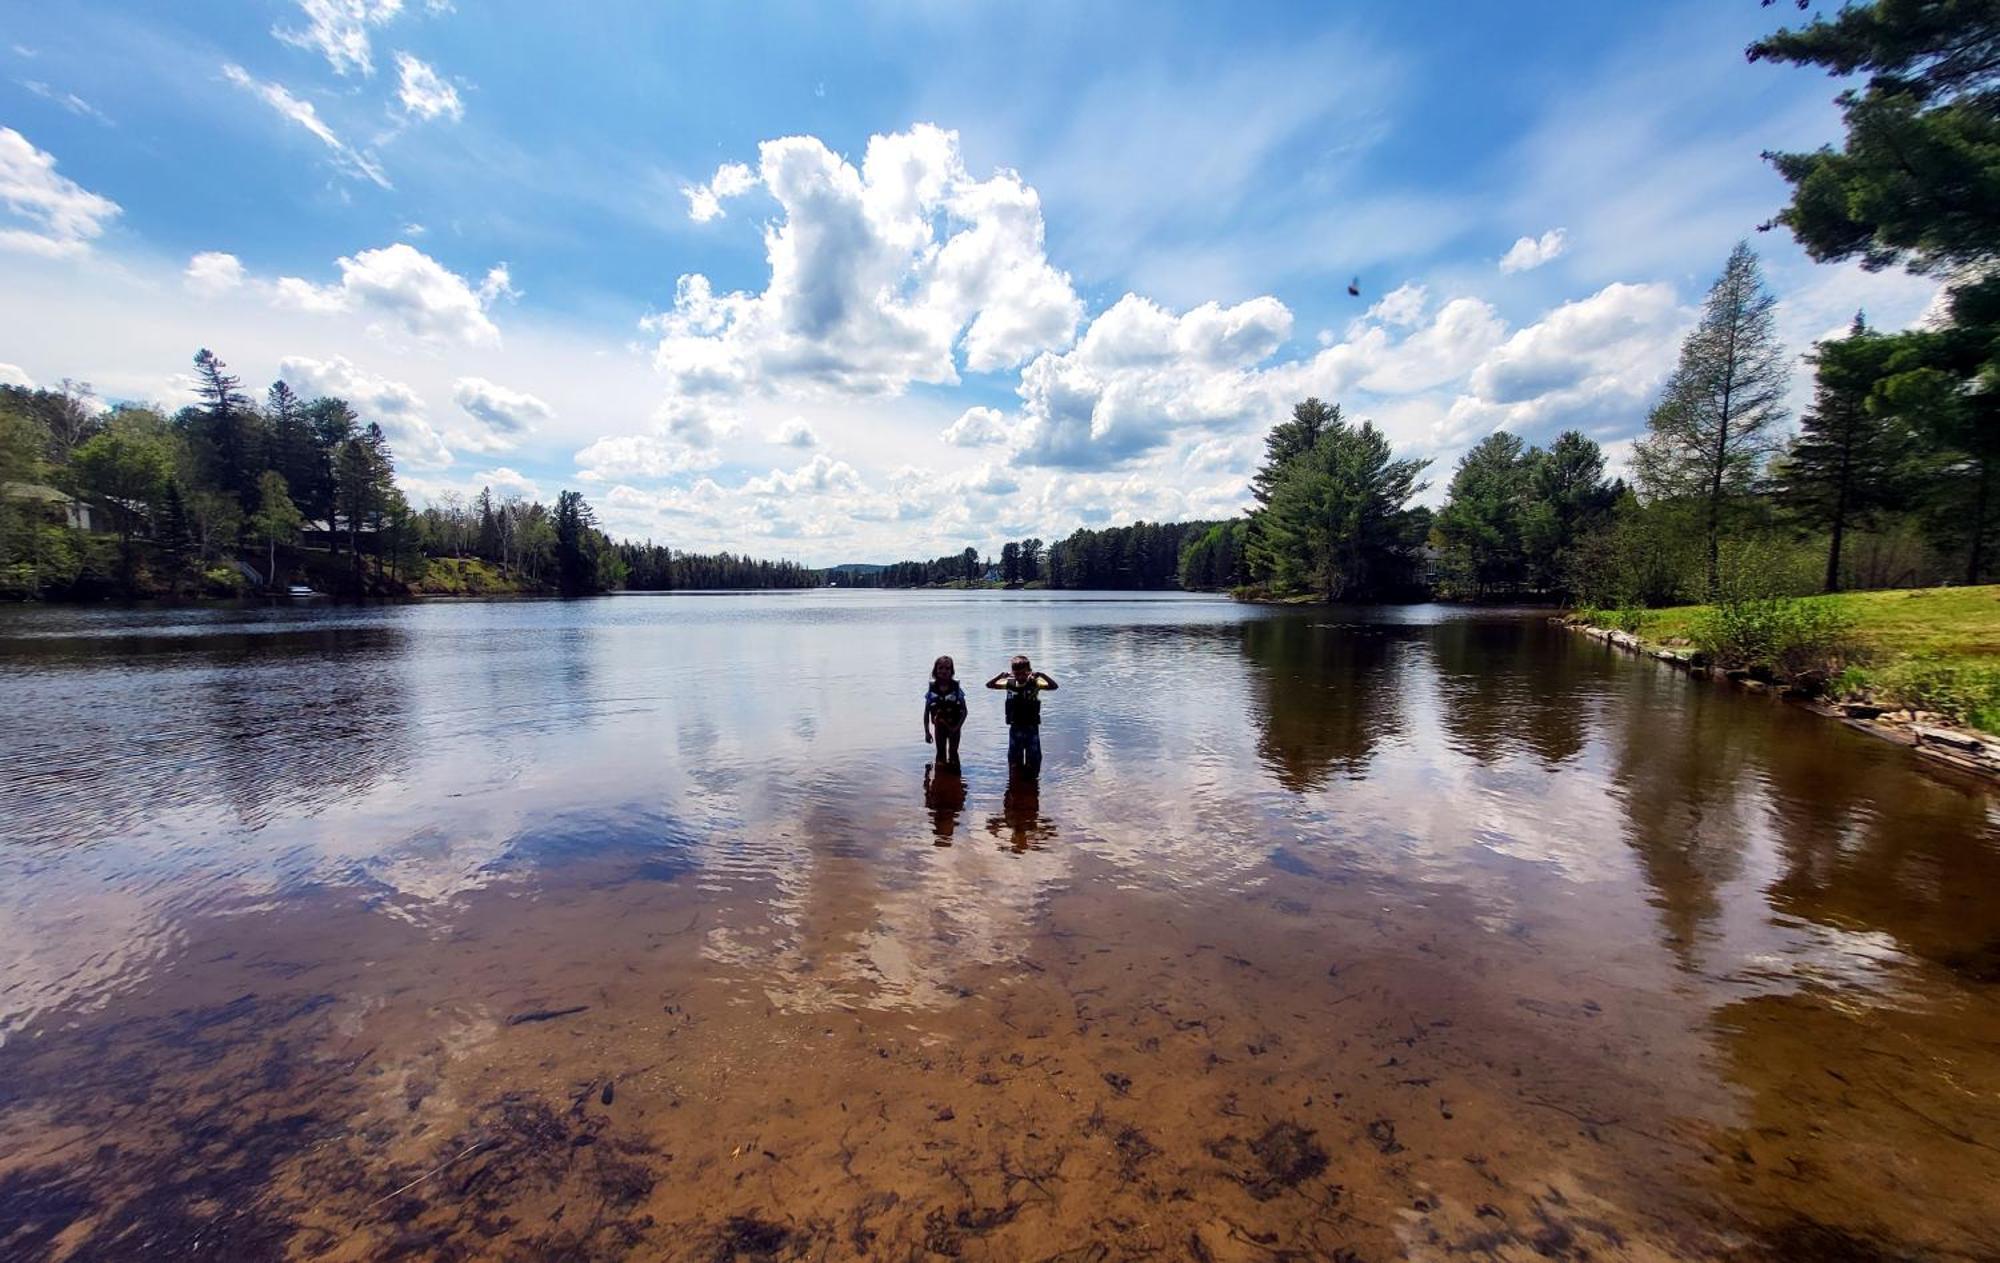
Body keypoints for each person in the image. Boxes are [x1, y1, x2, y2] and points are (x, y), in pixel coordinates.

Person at [986, 655, 1057, 776]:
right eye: (1017, 673)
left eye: (1024, 673)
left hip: (1032, 727)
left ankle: (1031, 784)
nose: (1020, 676)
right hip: (1015, 727)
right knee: (1014, 760)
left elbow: (1054, 686)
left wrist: (1042, 675)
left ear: (1029, 672)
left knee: (1034, 759)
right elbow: (990, 685)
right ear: (1013, 672)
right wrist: (1000, 676)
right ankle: (1015, 784)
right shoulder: (1009, 683)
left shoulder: (1036, 683)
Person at [923, 655, 968, 768]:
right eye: (941, 668)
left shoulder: (956, 689)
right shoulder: (932, 689)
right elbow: (926, 712)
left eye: (947, 668)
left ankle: (955, 780)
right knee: (940, 753)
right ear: (935, 670)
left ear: (952, 671)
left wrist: (957, 728)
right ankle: (940, 777)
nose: (944, 671)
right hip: (939, 727)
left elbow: (965, 711)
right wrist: (927, 732)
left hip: (954, 726)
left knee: (953, 752)